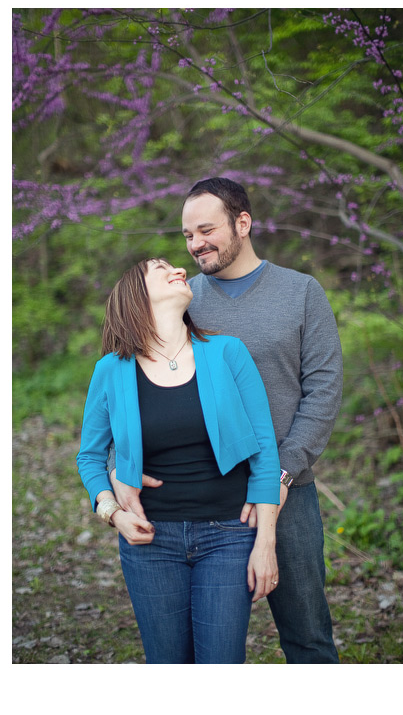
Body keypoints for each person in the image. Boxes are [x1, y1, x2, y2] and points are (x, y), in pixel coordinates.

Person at [111, 177, 343, 663]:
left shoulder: (301, 293)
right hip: (201, 499)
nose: (195, 245)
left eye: (206, 230)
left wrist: (281, 475)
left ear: (243, 222)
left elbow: (323, 392)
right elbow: (134, 388)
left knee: (306, 637)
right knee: (200, 649)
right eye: (187, 235)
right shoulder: (180, 300)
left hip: (287, 488)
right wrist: (119, 467)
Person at [76, 258, 281, 663]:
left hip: (227, 534)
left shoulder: (227, 352)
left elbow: (264, 447)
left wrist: (266, 541)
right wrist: (113, 512)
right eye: (160, 268)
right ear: (137, 293)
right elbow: (90, 456)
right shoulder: (111, 370)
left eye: (177, 267)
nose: (179, 270)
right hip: (151, 540)